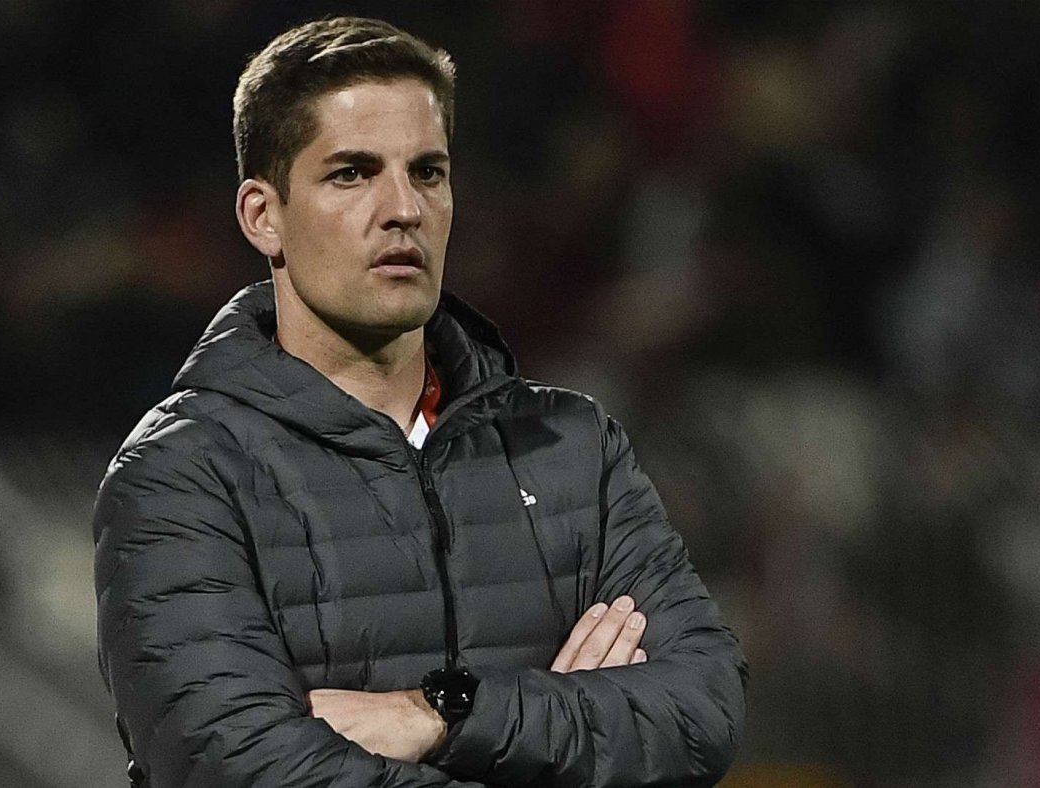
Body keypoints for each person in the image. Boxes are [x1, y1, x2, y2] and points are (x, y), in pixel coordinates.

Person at [93, 15, 745, 787]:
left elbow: (700, 710)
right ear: (263, 217)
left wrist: (440, 712)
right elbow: (243, 770)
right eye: (352, 173)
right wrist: (562, 739)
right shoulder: (181, 475)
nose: (403, 207)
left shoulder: (571, 446)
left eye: (428, 172)